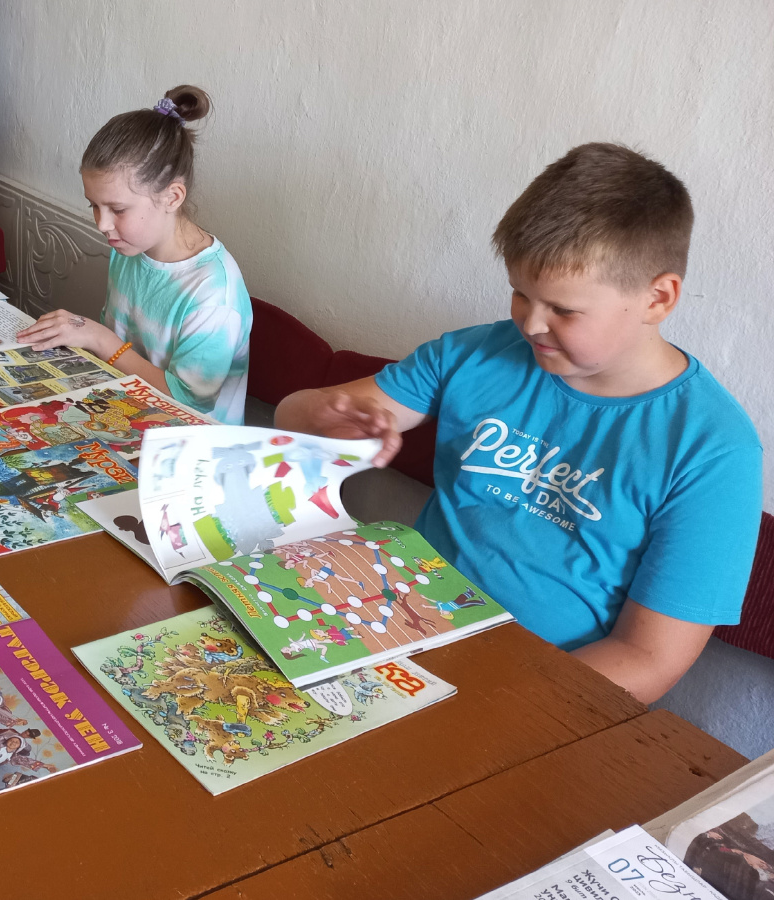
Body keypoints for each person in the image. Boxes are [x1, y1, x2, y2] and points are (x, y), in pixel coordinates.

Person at [273, 143, 763, 703]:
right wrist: (319, 416)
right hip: (390, 626)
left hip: (537, 686)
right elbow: (300, 418)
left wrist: (492, 702)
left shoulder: (713, 450)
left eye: (564, 309)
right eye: (520, 294)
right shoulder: (476, 353)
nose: (531, 324)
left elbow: (648, 660)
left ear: (658, 297)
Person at [17, 86, 253, 425]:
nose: (102, 224)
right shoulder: (129, 248)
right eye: (94, 206)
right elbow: (117, 351)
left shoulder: (213, 295)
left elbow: (185, 402)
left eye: (117, 209)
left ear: (172, 197)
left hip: (189, 439)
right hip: (123, 412)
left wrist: (99, 339)